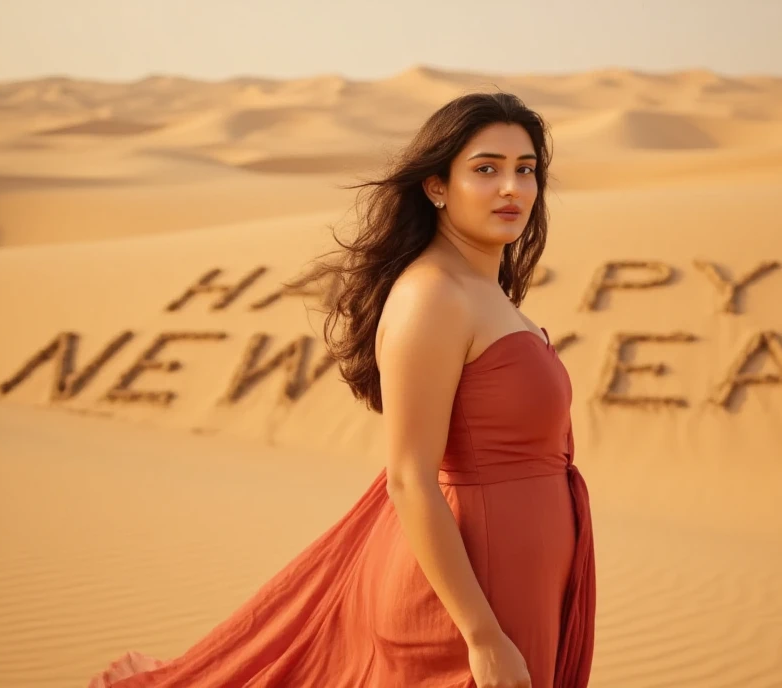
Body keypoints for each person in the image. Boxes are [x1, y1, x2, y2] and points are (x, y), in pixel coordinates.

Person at [89, 92, 595, 688]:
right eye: (486, 169)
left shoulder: (485, 290)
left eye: (525, 169)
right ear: (437, 186)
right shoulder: (433, 296)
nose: (511, 187)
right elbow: (409, 478)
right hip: (469, 601)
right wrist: (481, 637)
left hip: (525, 585)